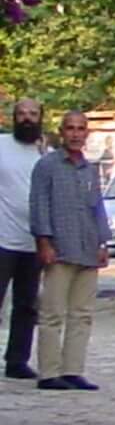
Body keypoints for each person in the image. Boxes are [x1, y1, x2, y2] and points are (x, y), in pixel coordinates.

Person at [28, 110, 110, 392]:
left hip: (88, 247)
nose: (76, 134)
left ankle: (73, 369)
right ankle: (49, 373)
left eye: (81, 129)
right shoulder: (47, 165)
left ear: (87, 133)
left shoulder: (90, 169)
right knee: (52, 313)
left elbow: (97, 207)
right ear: (61, 132)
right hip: (60, 248)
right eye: (70, 128)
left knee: (82, 313)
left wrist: (102, 242)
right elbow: (39, 205)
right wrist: (44, 242)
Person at [0, 97, 44, 379]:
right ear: (13, 117)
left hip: (35, 242)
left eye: (33, 113)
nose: (27, 118)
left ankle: (17, 360)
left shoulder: (48, 152)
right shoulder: (2, 146)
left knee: (27, 305)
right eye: (22, 113)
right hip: (2, 240)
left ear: (41, 117)